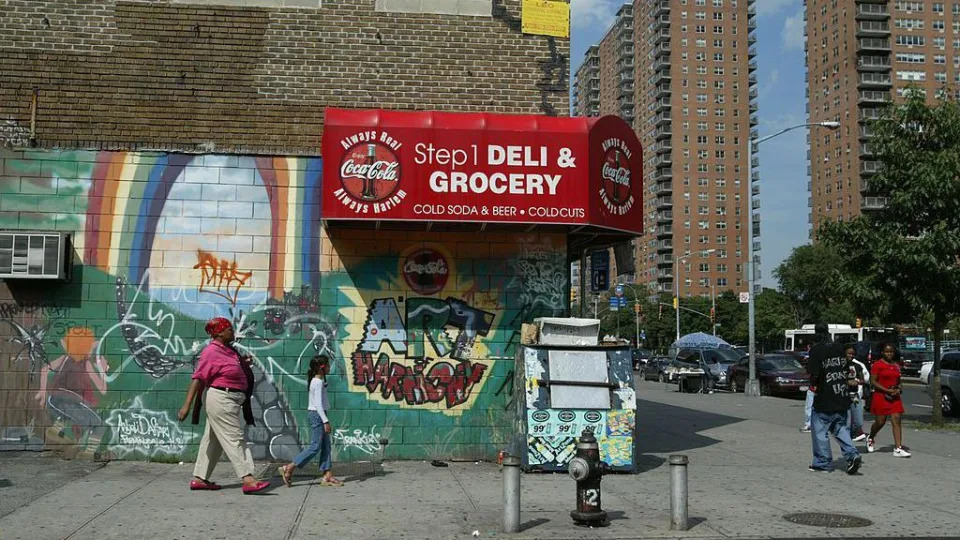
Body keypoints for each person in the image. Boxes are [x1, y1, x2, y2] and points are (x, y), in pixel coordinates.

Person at [177, 317, 270, 493]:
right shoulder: (211, 351)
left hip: (229, 399)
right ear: (219, 332)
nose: (233, 332)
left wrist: (243, 363)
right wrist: (186, 405)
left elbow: (228, 369)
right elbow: (197, 378)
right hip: (221, 399)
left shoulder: (228, 350)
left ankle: (199, 478)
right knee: (234, 438)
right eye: (229, 329)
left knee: (213, 440)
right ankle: (248, 478)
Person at [278, 355, 343, 487]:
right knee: (315, 447)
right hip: (318, 415)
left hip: (319, 414)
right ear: (322, 368)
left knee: (326, 446)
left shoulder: (318, 380)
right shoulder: (317, 382)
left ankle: (327, 475)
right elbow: (318, 404)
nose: (330, 368)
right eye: (328, 365)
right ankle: (289, 467)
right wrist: (325, 421)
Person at [807, 323, 862, 474]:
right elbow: (845, 369)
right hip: (841, 395)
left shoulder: (816, 350)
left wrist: (814, 386)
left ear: (816, 333)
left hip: (825, 397)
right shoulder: (839, 348)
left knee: (820, 430)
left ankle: (822, 462)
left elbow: (814, 374)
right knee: (840, 428)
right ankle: (852, 455)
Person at [866, 343, 910, 457]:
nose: (889, 354)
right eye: (887, 351)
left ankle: (898, 448)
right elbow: (873, 381)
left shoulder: (895, 365)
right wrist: (886, 390)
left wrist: (899, 389)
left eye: (891, 352)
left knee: (896, 419)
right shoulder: (877, 365)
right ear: (882, 352)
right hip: (881, 396)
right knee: (880, 421)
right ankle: (871, 437)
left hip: (894, 396)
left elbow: (898, 380)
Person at [845, 345, 870, 442]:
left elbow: (863, 379)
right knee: (846, 421)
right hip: (844, 395)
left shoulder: (857, 366)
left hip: (854, 395)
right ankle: (846, 438)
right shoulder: (841, 365)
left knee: (858, 421)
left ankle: (853, 433)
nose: (851, 356)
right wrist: (847, 382)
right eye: (849, 353)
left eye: (853, 354)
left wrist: (858, 381)